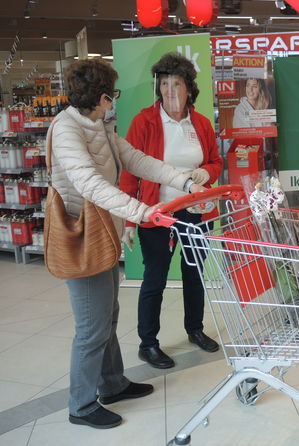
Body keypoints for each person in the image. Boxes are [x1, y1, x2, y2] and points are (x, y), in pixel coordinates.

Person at [49, 59, 205, 429]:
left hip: (103, 230)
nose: (115, 101)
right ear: (102, 98)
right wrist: (141, 212)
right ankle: (82, 405)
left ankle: (113, 383)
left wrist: (183, 182)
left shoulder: (99, 125)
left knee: (109, 316)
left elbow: (138, 160)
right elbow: (89, 183)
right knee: (91, 328)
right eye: (113, 95)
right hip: (81, 237)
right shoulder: (66, 129)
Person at [120, 53, 223, 370]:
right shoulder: (144, 122)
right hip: (157, 213)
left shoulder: (201, 123)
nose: (169, 89)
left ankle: (195, 329)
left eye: (175, 83)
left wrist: (206, 173)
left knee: (194, 274)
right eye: (164, 83)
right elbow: (129, 173)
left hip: (196, 211)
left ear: (189, 88)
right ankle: (147, 344)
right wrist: (128, 220)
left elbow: (215, 162)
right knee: (155, 279)